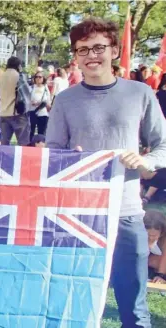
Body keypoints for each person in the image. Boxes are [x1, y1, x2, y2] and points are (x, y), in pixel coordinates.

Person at [46, 18, 166, 327]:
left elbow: (162, 145)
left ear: (114, 50)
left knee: (134, 307)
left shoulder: (140, 93)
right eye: (82, 49)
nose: (91, 55)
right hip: (78, 214)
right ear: (75, 56)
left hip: (125, 212)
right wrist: (66, 159)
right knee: (74, 302)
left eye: (99, 47)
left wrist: (146, 162)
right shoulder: (65, 100)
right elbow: (52, 153)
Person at [0, 56, 31, 146]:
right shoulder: (19, 76)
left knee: (4, 143)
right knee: (23, 144)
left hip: (3, 113)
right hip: (17, 113)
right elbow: (27, 93)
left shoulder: (2, 76)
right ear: (18, 65)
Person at [143, 210, 166, 284]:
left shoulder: (163, 238)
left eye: (154, 235)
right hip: (147, 259)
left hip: (160, 261)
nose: (151, 238)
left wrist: (160, 275)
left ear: (161, 233)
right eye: (148, 235)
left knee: (158, 261)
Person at [28, 72, 51, 141]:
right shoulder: (31, 88)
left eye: (40, 77)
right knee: (30, 132)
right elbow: (26, 99)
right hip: (32, 112)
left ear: (43, 78)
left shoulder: (45, 89)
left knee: (42, 133)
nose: (38, 78)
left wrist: (40, 103)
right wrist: (31, 102)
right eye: (36, 77)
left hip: (43, 113)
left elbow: (48, 101)